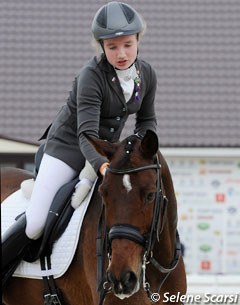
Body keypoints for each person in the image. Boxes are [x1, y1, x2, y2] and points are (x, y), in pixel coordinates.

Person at [2, 1, 157, 283]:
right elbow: (85, 135)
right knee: (36, 223)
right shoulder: (91, 77)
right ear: (101, 47)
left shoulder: (146, 74)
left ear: (138, 41)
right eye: (112, 47)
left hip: (106, 152)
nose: (121, 54)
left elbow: (147, 121)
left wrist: (139, 151)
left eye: (127, 45)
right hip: (67, 149)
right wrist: (102, 168)